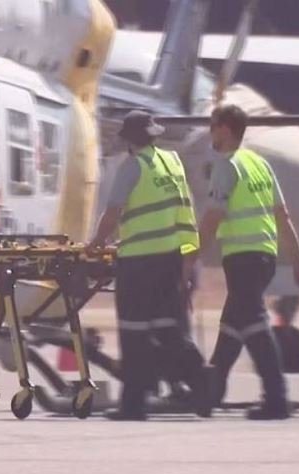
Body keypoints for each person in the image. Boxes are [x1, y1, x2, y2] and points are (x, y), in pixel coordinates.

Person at [87, 110, 211, 420]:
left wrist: (96, 244)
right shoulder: (171, 163)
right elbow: (184, 210)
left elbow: (113, 212)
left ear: (128, 141)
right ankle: (202, 384)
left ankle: (134, 405)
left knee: (134, 333)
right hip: (169, 259)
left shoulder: (133, 167)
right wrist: (188, 256)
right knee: (169, 330)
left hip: (138, 263)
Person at [197, 104, 299, 420]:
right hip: (264, 256)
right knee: (233, 325)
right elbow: (282, 216)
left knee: (254, 325)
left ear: (225, 129)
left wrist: (190, 257)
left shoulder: (227, 165)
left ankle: (276, 399)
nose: (209, 132)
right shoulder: (259, 164)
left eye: (212, 125)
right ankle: (211, 393)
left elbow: (212, 217)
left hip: (243, 258)